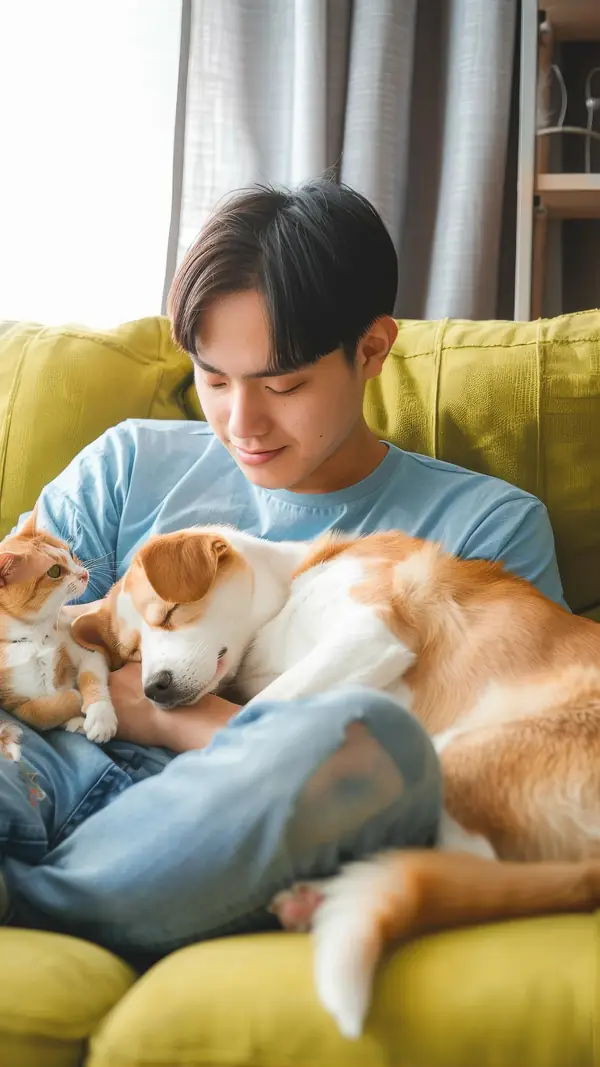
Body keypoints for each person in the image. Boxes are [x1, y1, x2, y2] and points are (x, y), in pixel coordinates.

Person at [0, 180, 565, 959]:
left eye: (284, 384)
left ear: (371, 349)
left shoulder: (483, 531)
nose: (242, 423)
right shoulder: (130, 463)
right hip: (45, 756)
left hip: (235, 822)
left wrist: (172, 719)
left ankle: (37, 899)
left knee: (369, 749)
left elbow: (459, 784)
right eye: (214, 379)